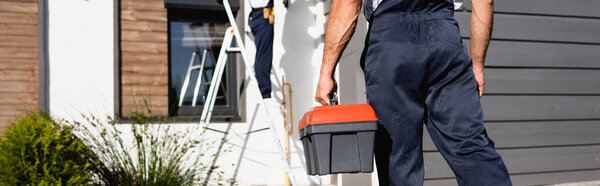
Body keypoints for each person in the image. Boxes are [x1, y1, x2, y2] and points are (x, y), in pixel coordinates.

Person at [314, 0, 512, 185]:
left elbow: (348, 3)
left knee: (398, 156)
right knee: (470, 145)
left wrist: (326, 72)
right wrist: (477, 65)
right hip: (444, 37)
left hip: (392, 40)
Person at [249, 0, 275, 99]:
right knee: (264, 56)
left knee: (262, 54)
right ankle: (265, 94)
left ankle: (264, 91)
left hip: (259, 16)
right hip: (263, 16)